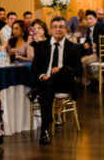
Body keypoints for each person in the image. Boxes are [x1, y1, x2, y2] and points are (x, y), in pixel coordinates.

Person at [27, 17, 83, 145]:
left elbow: (79, 71)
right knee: (47, 90)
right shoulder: (41, 46)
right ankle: (44, 131)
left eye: (61, 26)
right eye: (55, 26)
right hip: (47, 82)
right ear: (51, 29)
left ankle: (37, 91)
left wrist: (61, 70)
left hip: (65, 83)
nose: (58, 29)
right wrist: (42, 76)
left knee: (66, 69)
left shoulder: (73, 47)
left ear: (66, 29)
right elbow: (35, 68)